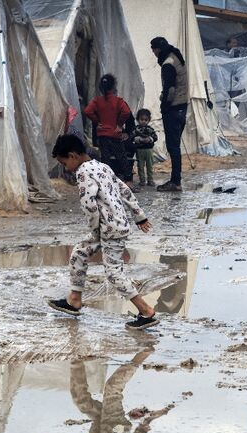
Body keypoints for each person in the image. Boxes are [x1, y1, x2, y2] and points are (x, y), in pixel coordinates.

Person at [46, 134, 159, 330]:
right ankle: (74, 299)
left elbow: (89, 205)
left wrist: (94, 229)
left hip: (108, 229)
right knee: (80, 252)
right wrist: (139, 215)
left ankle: (146, 311)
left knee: (113, 272)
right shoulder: (102, 166)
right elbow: (124, 190)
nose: (66, 168)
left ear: (72, 156)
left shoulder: (83, 173)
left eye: (64, 163)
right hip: (114, 225)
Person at [150, 36, 188, 192]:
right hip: (183, 106)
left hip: (173, 109)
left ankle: (175, 181)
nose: (153, 53)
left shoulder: (167, 64)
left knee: (173, 147)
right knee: (175, 146)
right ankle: (175, 179)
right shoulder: (176, 57)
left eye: (153, 49)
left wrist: (164, 105)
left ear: (158, 49)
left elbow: (171, 90)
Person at [83, 74, 132, 185]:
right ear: (114, 87)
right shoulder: (118, 101)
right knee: (121, 156)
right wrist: (119, 125)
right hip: (115, 134)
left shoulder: (97, 101)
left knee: (105, 158)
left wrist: (97, 121)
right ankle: (128, 181)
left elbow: (87, 111)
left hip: (102, 134)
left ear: (101, 87)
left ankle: (106, 182)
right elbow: (126, 112)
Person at [131, 108, 158, 187]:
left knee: (150, 166)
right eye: (141, 119)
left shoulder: (150, 129)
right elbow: (131, 137)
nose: (143, 121)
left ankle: (150, 180)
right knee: (140, 166)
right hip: (139, 150)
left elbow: (155, 137)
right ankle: (142, 180)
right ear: (138, 119)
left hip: (149, 150)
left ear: (149, 120)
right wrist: (137, 139)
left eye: (146, 120)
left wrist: (150, 139)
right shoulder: (136, 129)